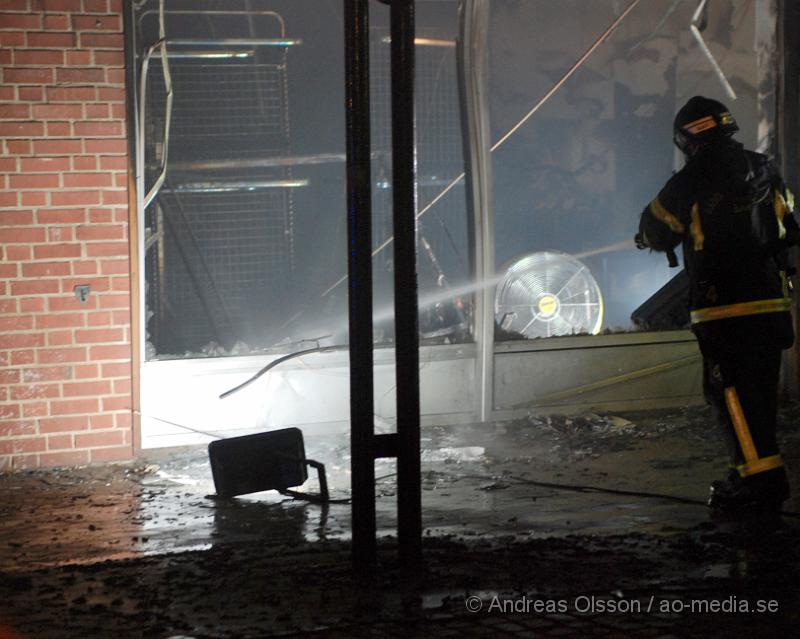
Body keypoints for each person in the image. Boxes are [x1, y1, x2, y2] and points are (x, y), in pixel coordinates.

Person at [636, 95, 797, 513]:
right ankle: (750, 471)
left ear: (686, 139)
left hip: (722, 308)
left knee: (730, 394)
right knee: (759, 394)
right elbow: (788, 225)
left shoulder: (692, 178)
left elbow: (655, 231)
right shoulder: (764, 167)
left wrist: (647, 236)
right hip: (770, 302)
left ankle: (762, 484)